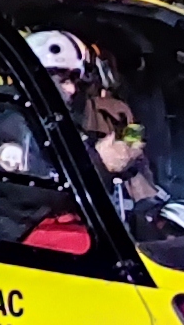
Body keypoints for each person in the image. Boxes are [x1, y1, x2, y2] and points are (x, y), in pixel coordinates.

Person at [27, 28, 157, 208]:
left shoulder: (120, 111)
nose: (72, 89)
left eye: (74, 79)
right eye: (63, 80)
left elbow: (135, 152)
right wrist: (100, 162)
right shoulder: (19, 126)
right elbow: (31, 193)